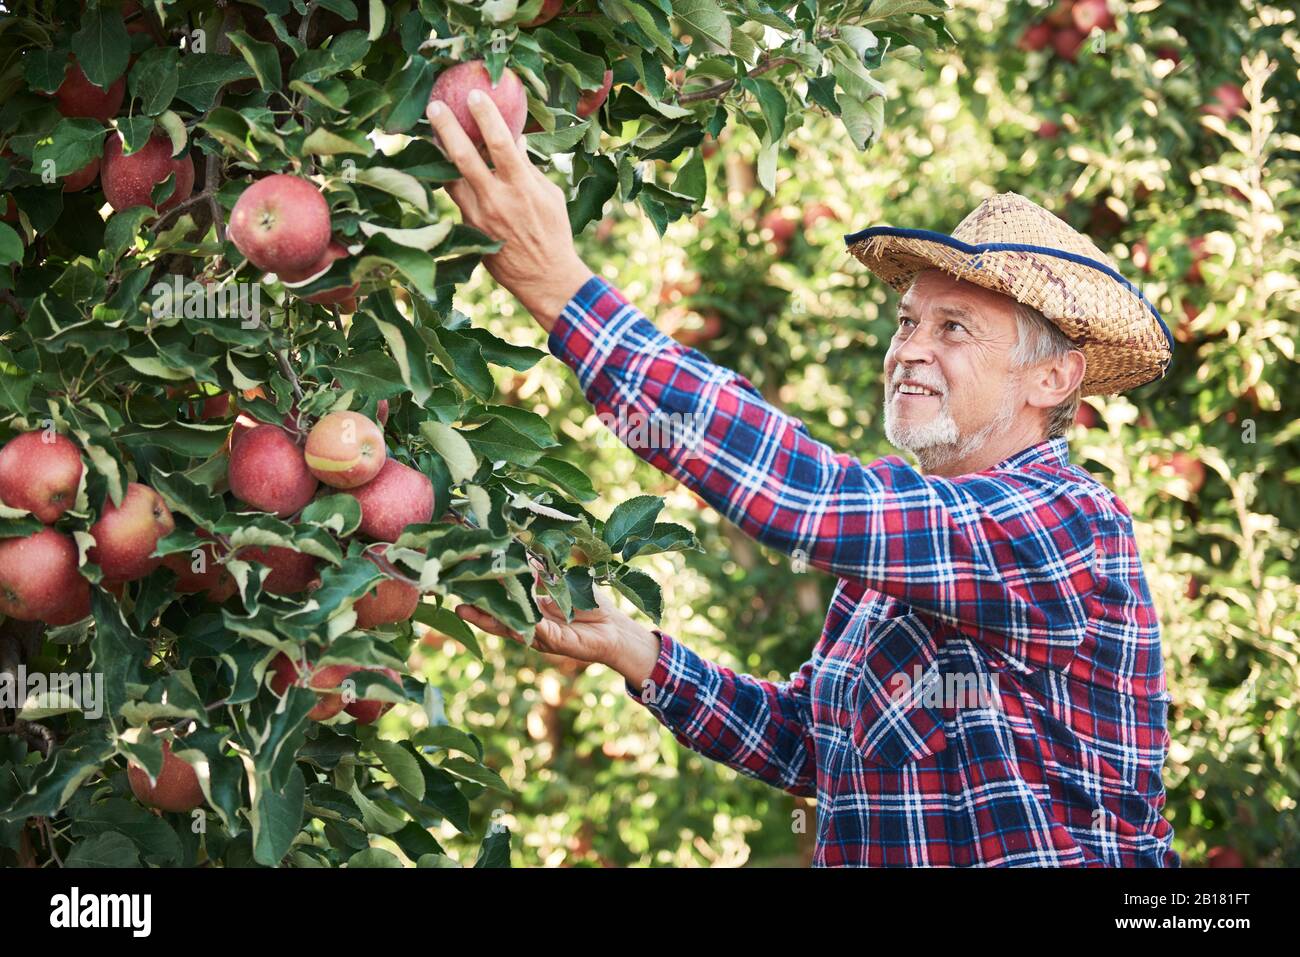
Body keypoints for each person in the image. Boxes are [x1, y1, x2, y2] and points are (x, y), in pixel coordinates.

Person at [427, 90, 1179, 867]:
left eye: (953, 327)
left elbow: (808, 497)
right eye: (907, 321)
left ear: (1053, 377)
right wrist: (638, 651)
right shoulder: (896, 565)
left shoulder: (1067, 524)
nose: (911, 349)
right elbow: (812, 747)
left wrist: (560, 287)